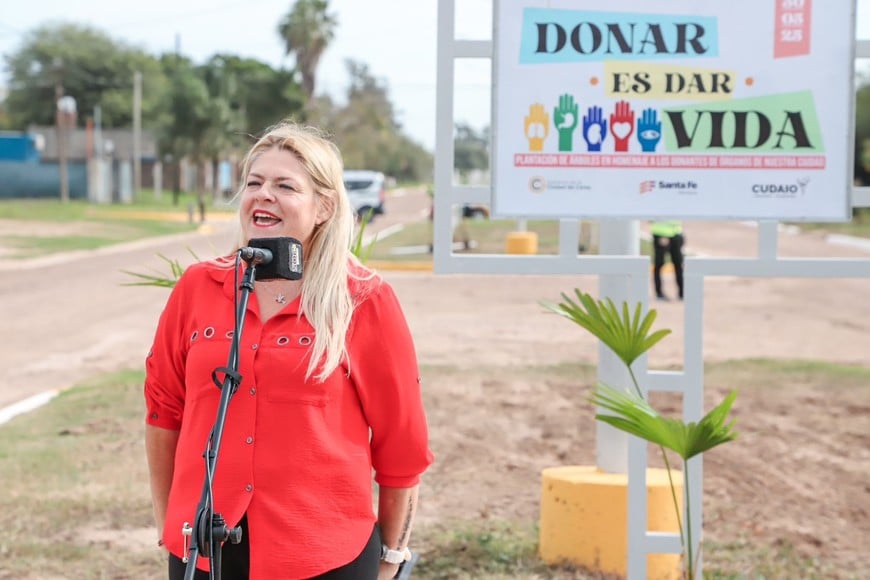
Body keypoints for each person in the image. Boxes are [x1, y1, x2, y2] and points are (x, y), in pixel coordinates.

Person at [144, 121, 434, 580]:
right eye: (254, 183)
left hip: (326, 555)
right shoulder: (198, 287)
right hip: (203, 549)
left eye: (285, 186)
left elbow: (402, 448)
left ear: (324, 206)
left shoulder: (363, 299)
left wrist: (391, 559)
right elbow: (164, 414)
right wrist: (172, 527)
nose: (263, 195)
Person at [650, 220, 685, 301]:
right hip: (661, 233)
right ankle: (659, 293)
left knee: (678, 264)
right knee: (659, 264)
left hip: (676, 232)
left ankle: (682, 293)